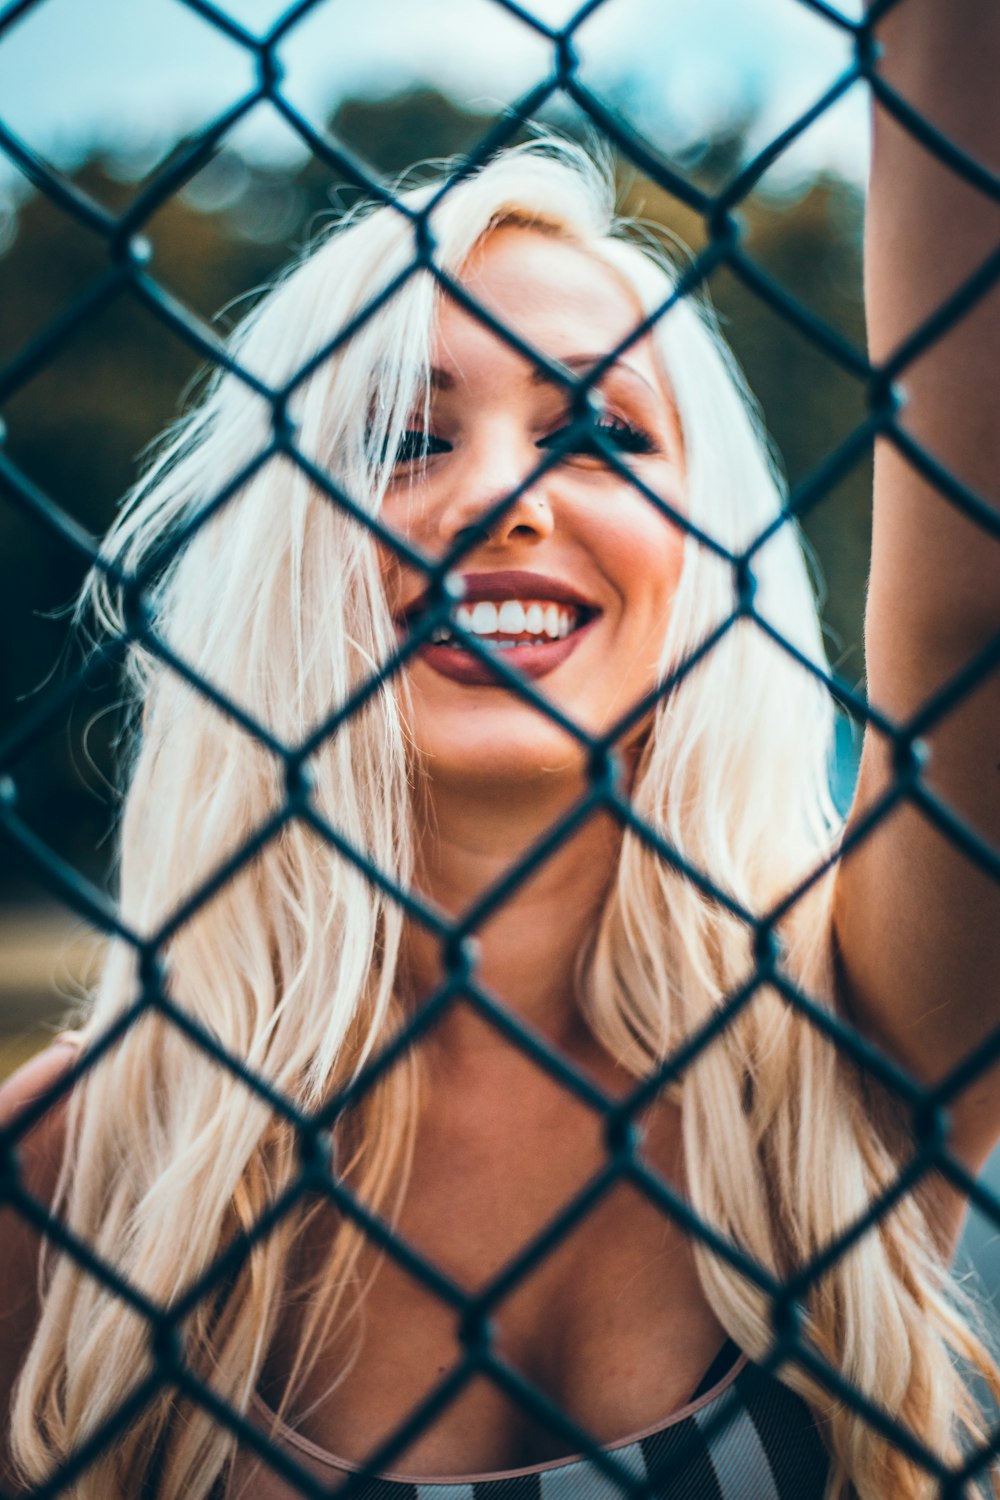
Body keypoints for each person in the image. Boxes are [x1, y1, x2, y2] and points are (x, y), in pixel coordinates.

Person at [2, 4, 998, 1497]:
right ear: (291, 555)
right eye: (405, 438)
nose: (503, 499)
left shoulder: (842, 1049)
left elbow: (978, 604)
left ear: (702, 558)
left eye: (600, 432)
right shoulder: (77, 1168)